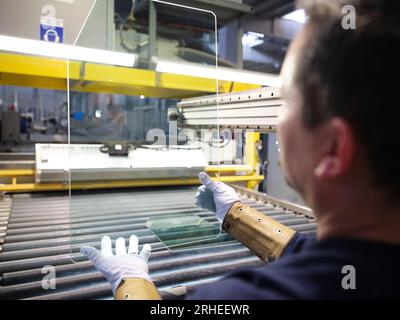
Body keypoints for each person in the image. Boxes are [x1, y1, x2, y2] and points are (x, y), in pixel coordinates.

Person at [81, 0, 400, 299]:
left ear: (333, 149)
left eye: (285, 100)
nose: (275, 120)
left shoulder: (237, 299)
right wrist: (236, 214)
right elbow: (315, 253)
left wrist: (132, 282)